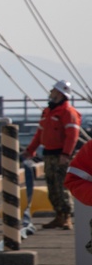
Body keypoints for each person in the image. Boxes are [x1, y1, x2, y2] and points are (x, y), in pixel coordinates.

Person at [23, 80, 82, 229]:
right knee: (51, 187)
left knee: (61, 186)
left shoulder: (68, 112)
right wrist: (30, 150)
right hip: (48, 154)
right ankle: (59, 216)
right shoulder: (48, 112)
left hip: (60, 155)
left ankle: (67, 216)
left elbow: (72, 135)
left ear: (60, 93)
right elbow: (40, 133)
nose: (51, 92)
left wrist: (66, 154)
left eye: (53, 90)